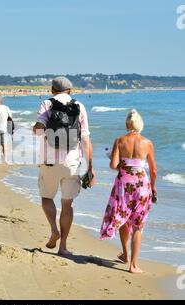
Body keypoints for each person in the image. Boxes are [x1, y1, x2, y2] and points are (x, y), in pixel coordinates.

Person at [33, 76, 95, 256]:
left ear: (53, 89)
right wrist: (90, 167)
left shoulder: (47, 104)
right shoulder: (79, 106)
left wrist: (38, 126)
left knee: (46, 198)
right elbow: (85, 139)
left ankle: (54, 229)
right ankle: (63, 246)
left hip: (49, 161)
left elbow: (38, 131)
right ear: (70, 90)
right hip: (73, 163)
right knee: (67, 204)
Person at [100, 109, 157, 274]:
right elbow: (153, 170)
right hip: (142, 186)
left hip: (123, 185)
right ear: (140, 124)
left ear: (127, 124)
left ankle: (125, 254)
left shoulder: (119, 140)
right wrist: (153, 187)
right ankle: (133, 264)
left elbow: (113, 165)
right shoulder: (147, 143)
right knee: (138, 225)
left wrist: (120, 165)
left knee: (123, 218)